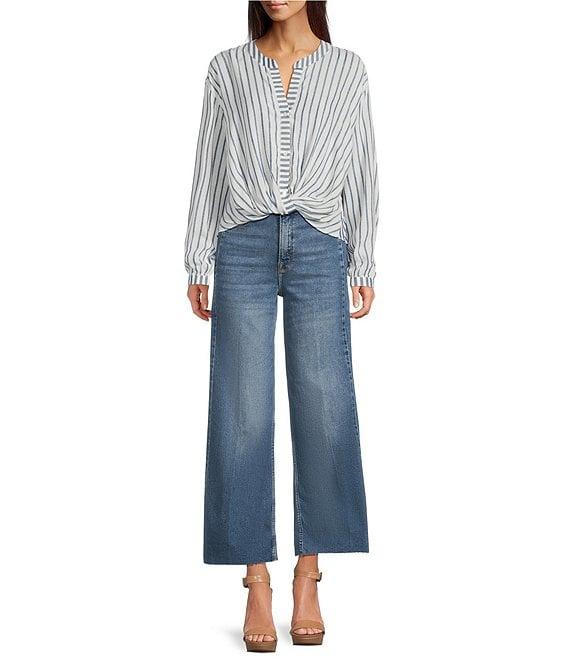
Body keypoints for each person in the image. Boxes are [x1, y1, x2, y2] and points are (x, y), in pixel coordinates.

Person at [184, 0, 379, 652]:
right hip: (239, 242)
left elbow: (361, 166)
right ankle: (256, 580)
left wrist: (363, 258)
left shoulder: (347, 70)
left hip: (321, 242)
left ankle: (308, 574)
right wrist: (197, 258)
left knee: (324, 405)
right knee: (242, 411)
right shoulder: (227, 68)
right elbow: (209, 164)